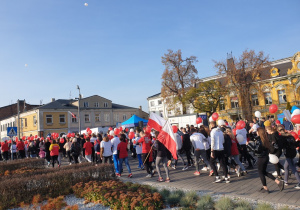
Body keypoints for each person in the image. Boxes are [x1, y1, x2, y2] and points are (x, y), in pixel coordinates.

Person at [255, 127, 284, 193]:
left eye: (257, 132)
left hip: (261, 158)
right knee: (264, 172)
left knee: (260, 172)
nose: (256, 133)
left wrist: (249, 146)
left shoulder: (260, 140)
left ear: (259, 133)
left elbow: (256, 151)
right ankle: (278, 181)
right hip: (266, 157)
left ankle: (265, 188)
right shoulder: (266, 139)